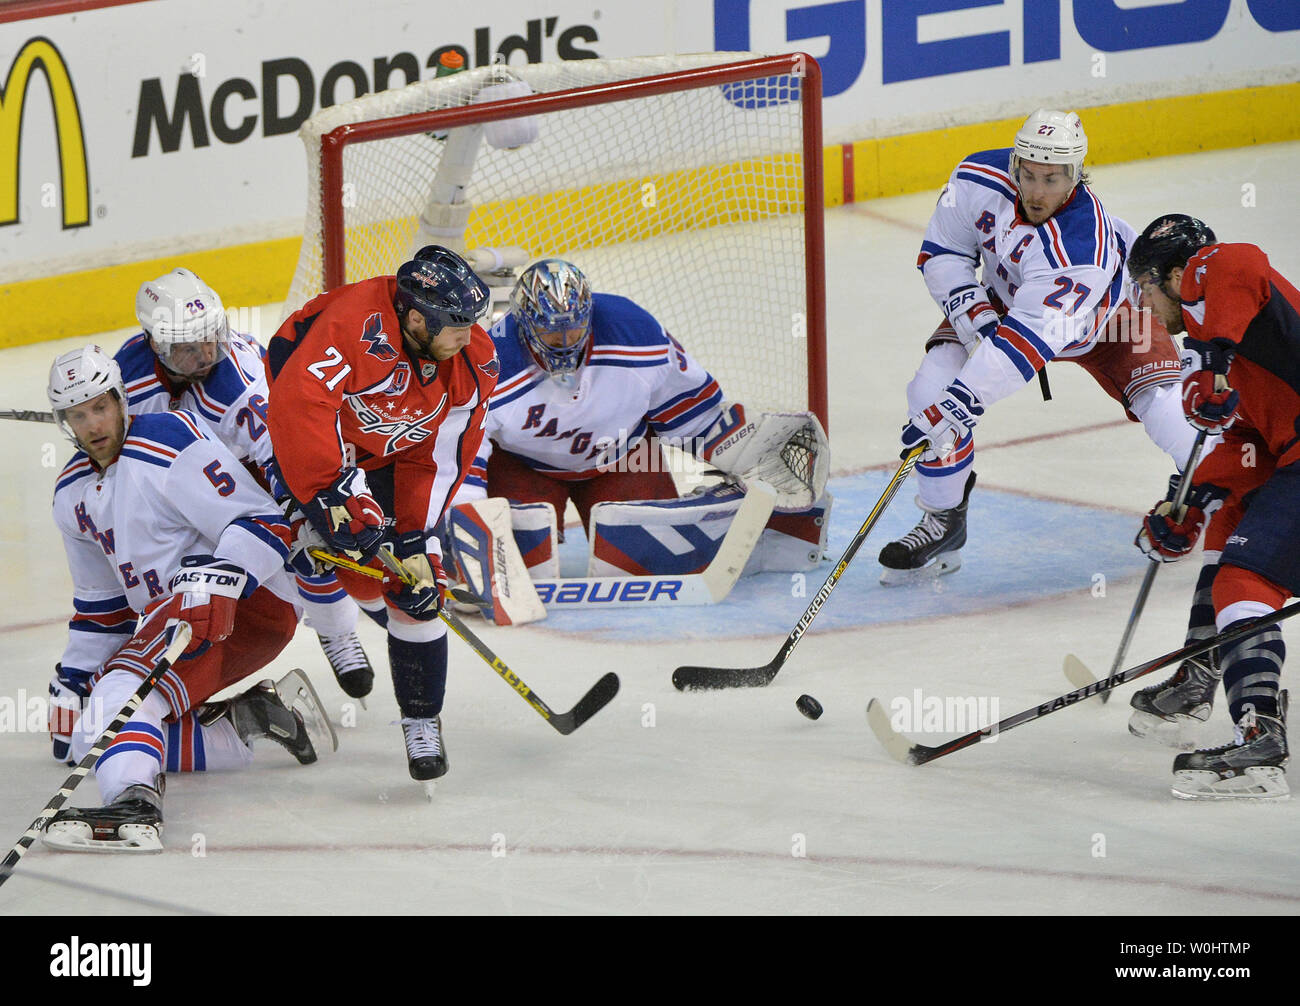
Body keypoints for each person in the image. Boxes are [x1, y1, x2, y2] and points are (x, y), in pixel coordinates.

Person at [879, 109, 1199, 584]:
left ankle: (1216, 493)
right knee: (929, 388)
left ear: (1075, 175)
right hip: (1006, 301)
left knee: (1170, 411)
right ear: (1015, 163)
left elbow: (1027, 344)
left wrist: (961, 405)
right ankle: (943, 520)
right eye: (1028, 174)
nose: (1035, 191)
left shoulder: (1080, 246)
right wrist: (974, 315)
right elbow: (943, 252)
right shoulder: (976, 177)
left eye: (1051, 179)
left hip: (1109, 318)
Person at [43, 345, 334, 853]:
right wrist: (72, 678)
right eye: (77, 413)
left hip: (247, 601)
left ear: (121, 400)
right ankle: (250, 721)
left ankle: (133, 805)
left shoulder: (168, 438)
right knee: (89, 735)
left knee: (118, 698)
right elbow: (103, 603)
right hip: (176, 620)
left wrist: (219, 579)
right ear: (64, 422)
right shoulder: (71, 492)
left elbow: (265, 522)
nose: (92, 424)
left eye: (100, 406)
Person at [447, 258, 830, 599]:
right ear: (524, 324)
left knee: (653, 562)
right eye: (551, 334)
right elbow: (462, 458)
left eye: (575, 331)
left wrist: (747, 453)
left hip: (624, 458)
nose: (564, 343)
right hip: (524, 466)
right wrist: (463, 524)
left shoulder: (635, 334)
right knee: (516, 571)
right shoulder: (489, 362)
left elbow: (694, 415)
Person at [264, 245, 497, 787]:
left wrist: (416, 537)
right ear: (417, 318)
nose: (470, 335)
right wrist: (330, 494)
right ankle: (346, 613)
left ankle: (421, 720)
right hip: (326, 442)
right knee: (350, 561)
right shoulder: (351, 326)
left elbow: (443, 455)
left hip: (400, 456)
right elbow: (300, 407)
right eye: (457, 324)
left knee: (416, 588)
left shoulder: (473, 359)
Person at [122, 267, 376, 699]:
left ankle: (337, 633)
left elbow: (281, 449)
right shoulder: (128, 371)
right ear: (155, 342)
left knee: (310, 545)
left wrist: (300, 508)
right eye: (187, 346)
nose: (205, 353)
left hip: (259, 465)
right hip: (185, 476)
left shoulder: (236, 382)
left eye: (211, 336)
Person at [1126, 213, 1300, 799]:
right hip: (1291, 453)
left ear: (1175, 274)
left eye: (1145, 287)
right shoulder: (1244, 351)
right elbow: (1247, 447)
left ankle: (1259, 739)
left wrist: (1211, 360)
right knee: (1230, 524)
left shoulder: (1216, 274)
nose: (1144, 306)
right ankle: (1206, 667)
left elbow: (1240, 261)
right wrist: (1191, 502)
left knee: (1245, 579)